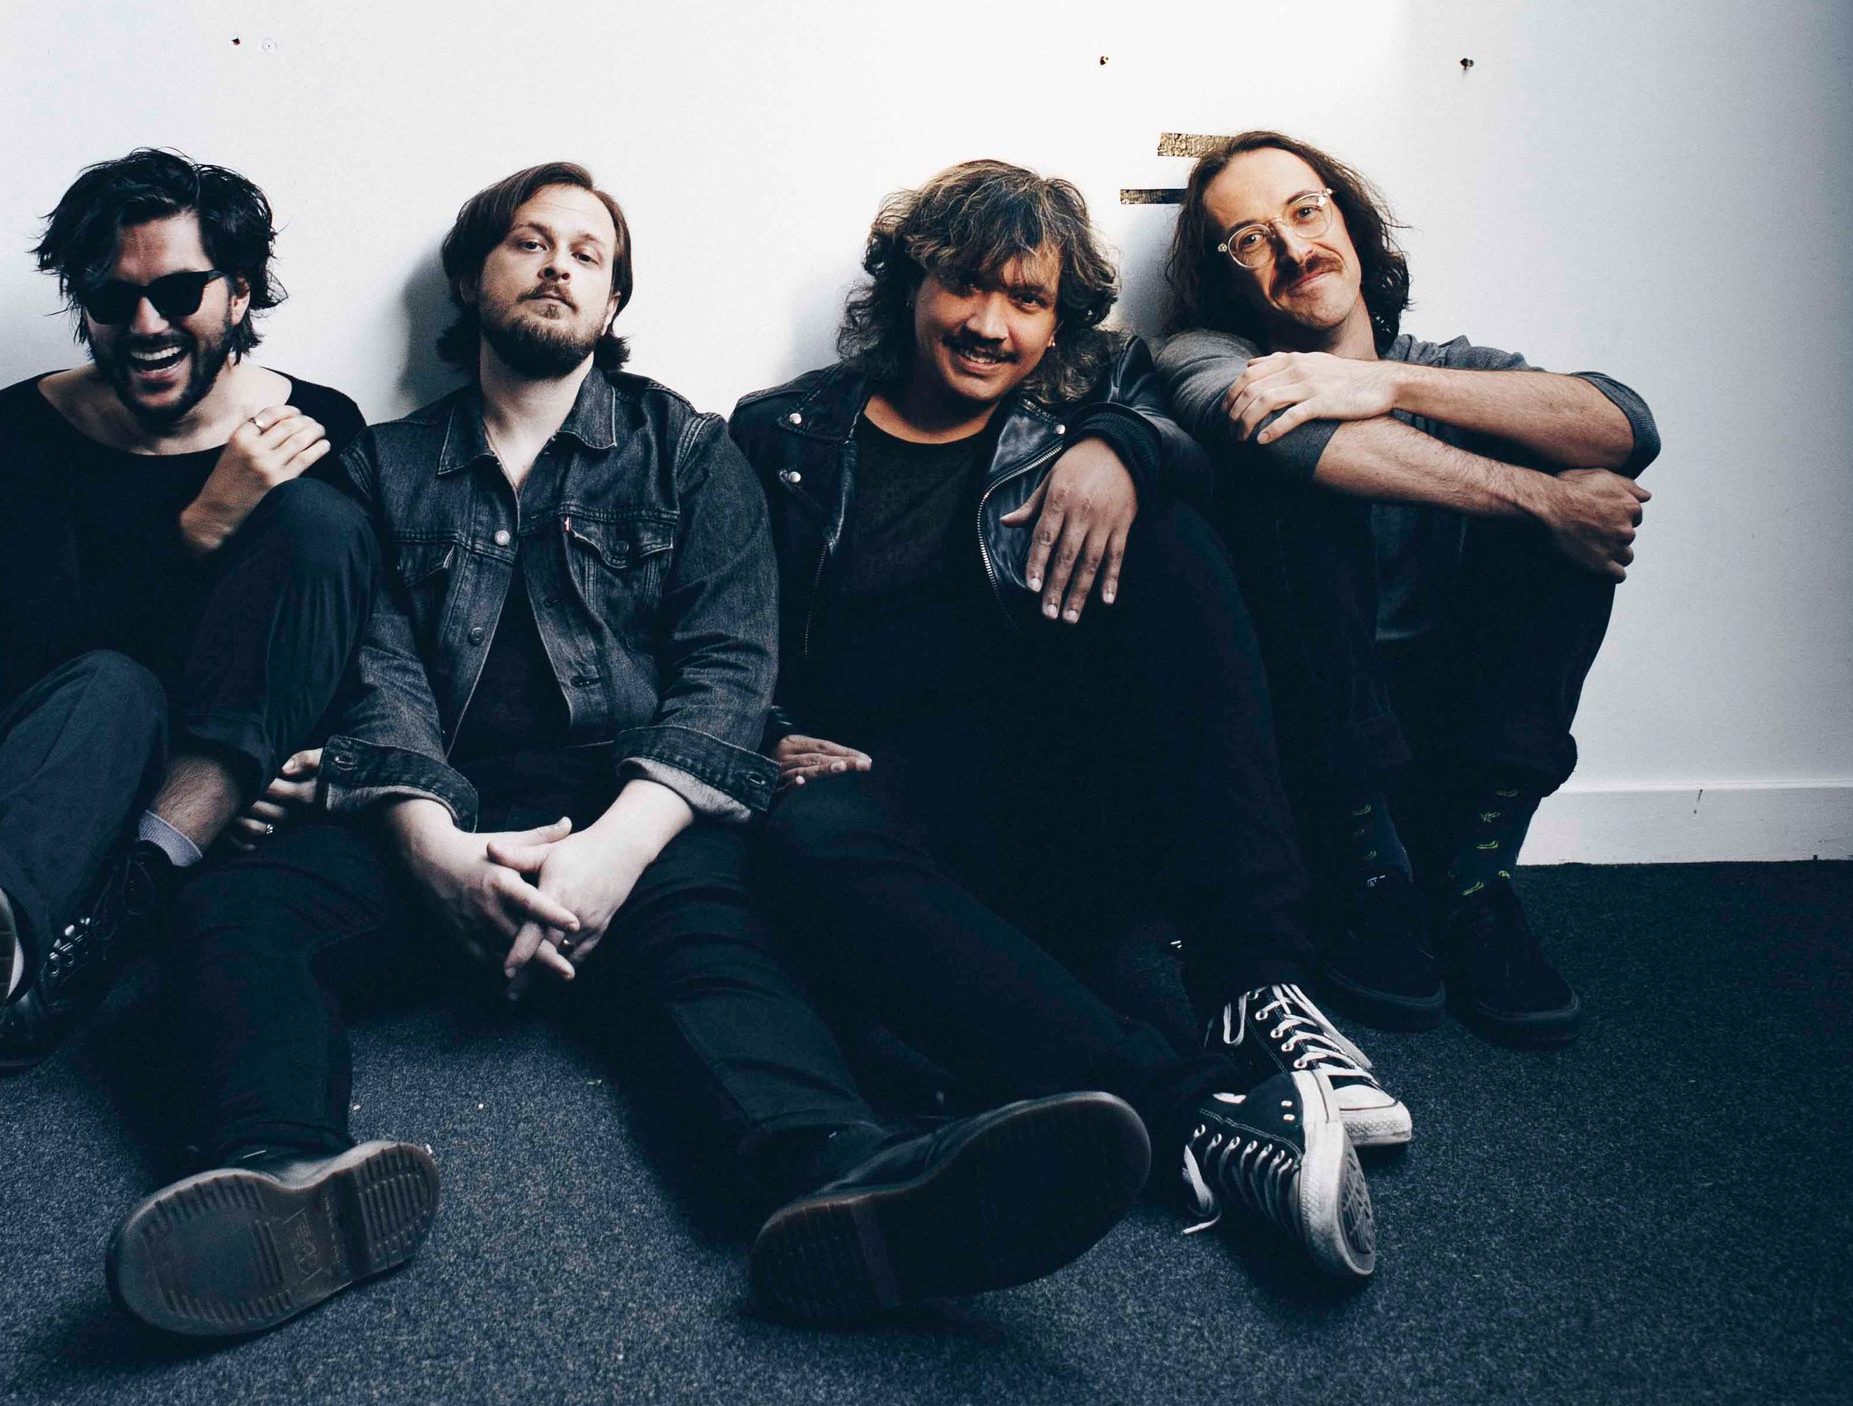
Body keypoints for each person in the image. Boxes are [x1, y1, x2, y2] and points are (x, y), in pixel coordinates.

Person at [105, 162, 1155, 1336]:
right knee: (237, 907)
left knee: (723, 952)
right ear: (471, 276)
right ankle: (281, 1174)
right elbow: (373, 675)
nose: (558, 266)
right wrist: (434, 846)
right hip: (438, 811)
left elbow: (728, 666)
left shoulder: (689, 452)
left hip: (631, 803)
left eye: (588, 253)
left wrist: (615, 849)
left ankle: (850, 1183)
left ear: (611, 304)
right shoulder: (379, 465)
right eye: (528, 243)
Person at [734, 160, 1387, 1281]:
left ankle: (1255, 984)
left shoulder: (1087, 410)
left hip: (1050, 807)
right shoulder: (781, 433)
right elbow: (720, 625)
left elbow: (1189, 423)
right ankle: (1198, 1114)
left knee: (1177, 545)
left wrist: (1119, 449)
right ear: (907, 286)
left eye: (1025, 301)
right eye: (964, 287)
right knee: (799, 831)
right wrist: (763, 733)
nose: (988, 325)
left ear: (1056, 324)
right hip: (886, 817)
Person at [0, 149, 375, 1229]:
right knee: (112, 685)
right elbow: (45, 652)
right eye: (114, 296)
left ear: (238, 294)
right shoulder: (19, 431)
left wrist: (301, 761)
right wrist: (205, 518)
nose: (148, 322)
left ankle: (89, 936)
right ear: (82, 302)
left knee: (317, 523)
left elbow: (339, 632)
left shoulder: (317, 426)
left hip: (228, 776)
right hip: (66, 760)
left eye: (179, 291)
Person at [1155, 132, 1661, 1048]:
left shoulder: (1444, 365)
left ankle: (1472, 886)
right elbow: (1291, 436)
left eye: (1306, 212)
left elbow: (1625, 425)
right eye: (1250, 240)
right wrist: (1542, 501)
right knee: (1306, 476)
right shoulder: (1204, 355)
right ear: (1227, 277)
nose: (1294, 248)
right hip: (1308, 741)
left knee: (1576, 505)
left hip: (1454, 733)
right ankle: (1372, 880)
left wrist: (1378, 381)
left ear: (1348, 222)